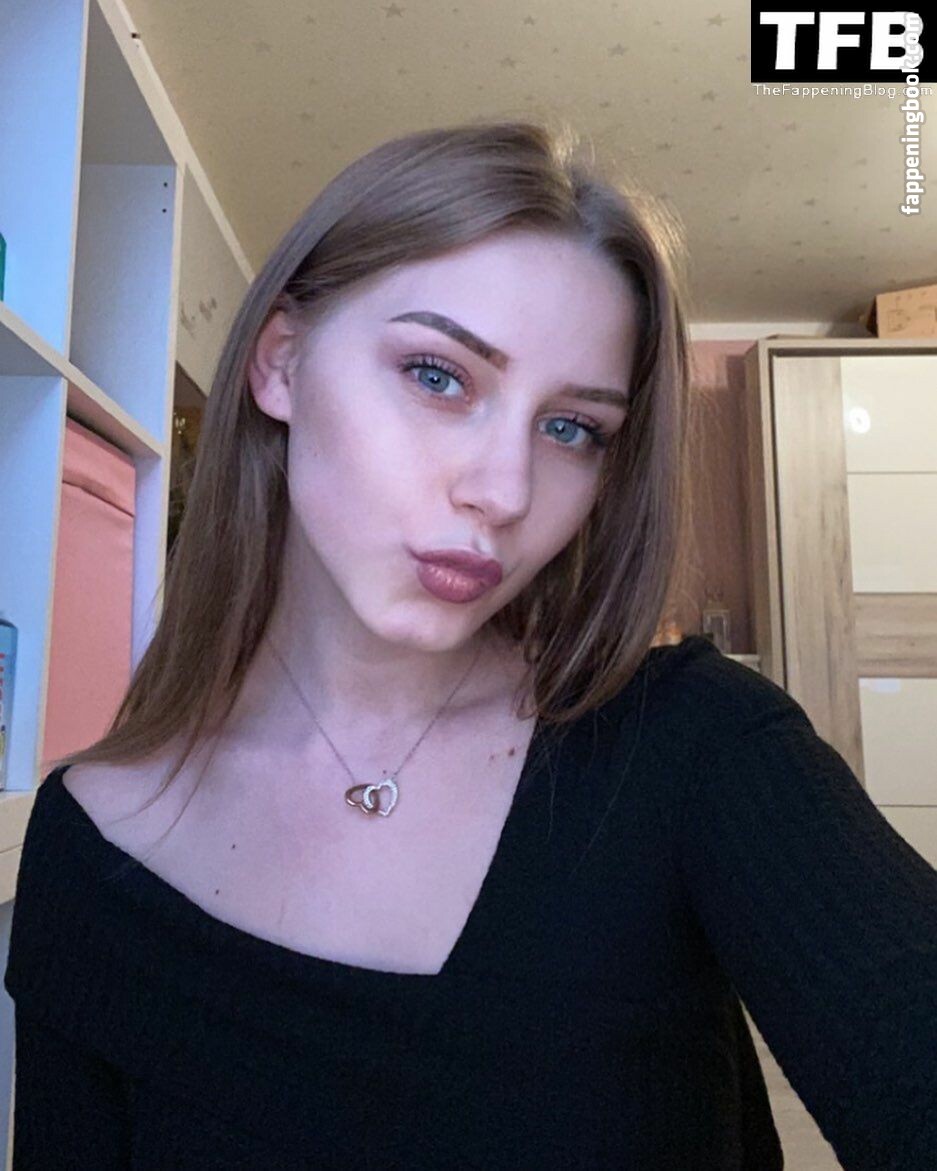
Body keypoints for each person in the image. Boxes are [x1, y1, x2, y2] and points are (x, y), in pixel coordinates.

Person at [5, 118, 936, 1170]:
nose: (504, 491)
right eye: (438, 376)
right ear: (281, 361)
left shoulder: (696, 747)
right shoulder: (93, 844)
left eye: (571, 428)